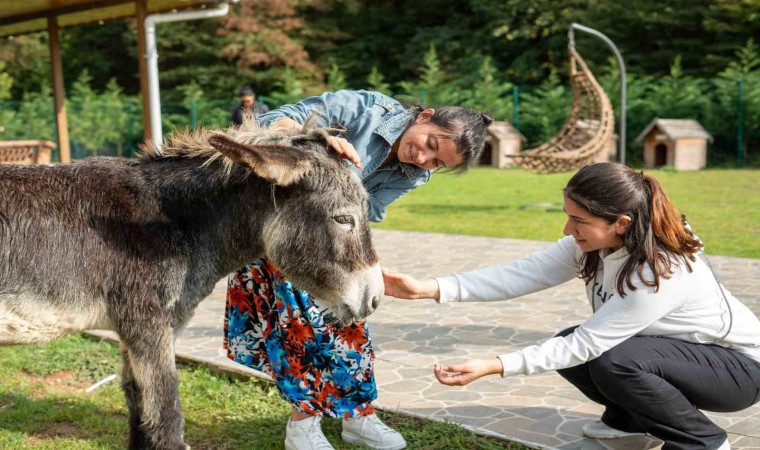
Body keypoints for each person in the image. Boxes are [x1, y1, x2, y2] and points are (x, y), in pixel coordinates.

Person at [383, 162, 760, 450]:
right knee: (585, 352)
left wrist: (494, 365)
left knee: (608, 358)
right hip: (684, 359)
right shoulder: (596, 245)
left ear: (621, 223)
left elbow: (587, 344)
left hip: (738, 371)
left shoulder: (660, 271)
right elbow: (520, 274)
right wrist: (427, 289)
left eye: (579, 220)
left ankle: (704, 442)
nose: (567, 230)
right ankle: (629, 429)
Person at [223, 89, 492, 450]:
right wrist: (318, 139)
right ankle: (302, 426)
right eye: (429, 142)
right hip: (278, 232)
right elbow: (269, 123)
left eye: (436, 162)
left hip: (327, 249)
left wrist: (368, 268)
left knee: (351, 324)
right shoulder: (364, 109)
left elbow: (362, 219)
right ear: (425, 115)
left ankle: (357, 416)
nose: (423, 157)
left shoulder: (413, 175)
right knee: (304, 330)